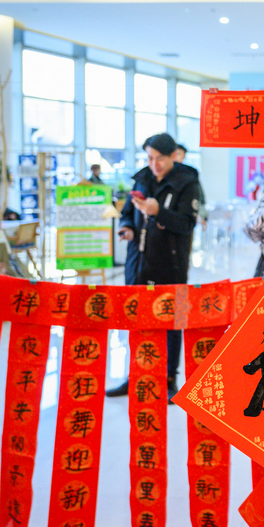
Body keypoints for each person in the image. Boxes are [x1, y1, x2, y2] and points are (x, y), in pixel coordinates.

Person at [106, 133, 201, 402]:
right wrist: (127, 227)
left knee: (171, 320)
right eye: (149, 158)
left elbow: (187, 223)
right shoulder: (142, 179)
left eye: (160, 158)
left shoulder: (187, 182)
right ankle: (135, 374)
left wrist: (159, 211)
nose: (154, 164)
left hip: (170, 264)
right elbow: (127, 212)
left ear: (173, 156)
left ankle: (170, 378)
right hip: (138, 263)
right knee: (136, 319)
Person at [172, 143, 208, 228]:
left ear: (184, 155)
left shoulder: (190, 173)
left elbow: (200, 195)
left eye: (179, 154)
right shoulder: (166, 174)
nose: (176, 156)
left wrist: (202, 216)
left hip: (187, 213)